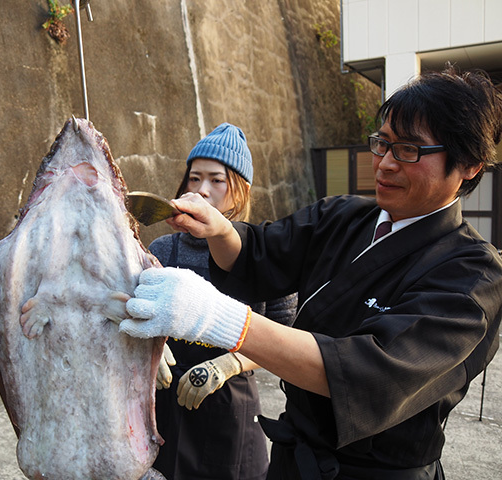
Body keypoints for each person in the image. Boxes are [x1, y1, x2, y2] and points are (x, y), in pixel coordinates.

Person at [119, 67, 502, 479]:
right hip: (294, 459)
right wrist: (218, 227)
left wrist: (215, 317)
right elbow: (259, 252)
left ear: (468, 166)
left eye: (409, 150)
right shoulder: (344, 216)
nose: (386, 164)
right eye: (383, 144)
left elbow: (368, 373)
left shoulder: (473, 275)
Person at [149, 123, 297, 480]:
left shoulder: (265, 255)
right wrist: (151, 349)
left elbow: (285, 333)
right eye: (194, 178)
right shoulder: (161, 250)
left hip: (230, 410)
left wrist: (227, 366)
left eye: (217, 180)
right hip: (165, 406)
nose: (202, 190)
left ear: (240, 190)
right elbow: (132, 309)